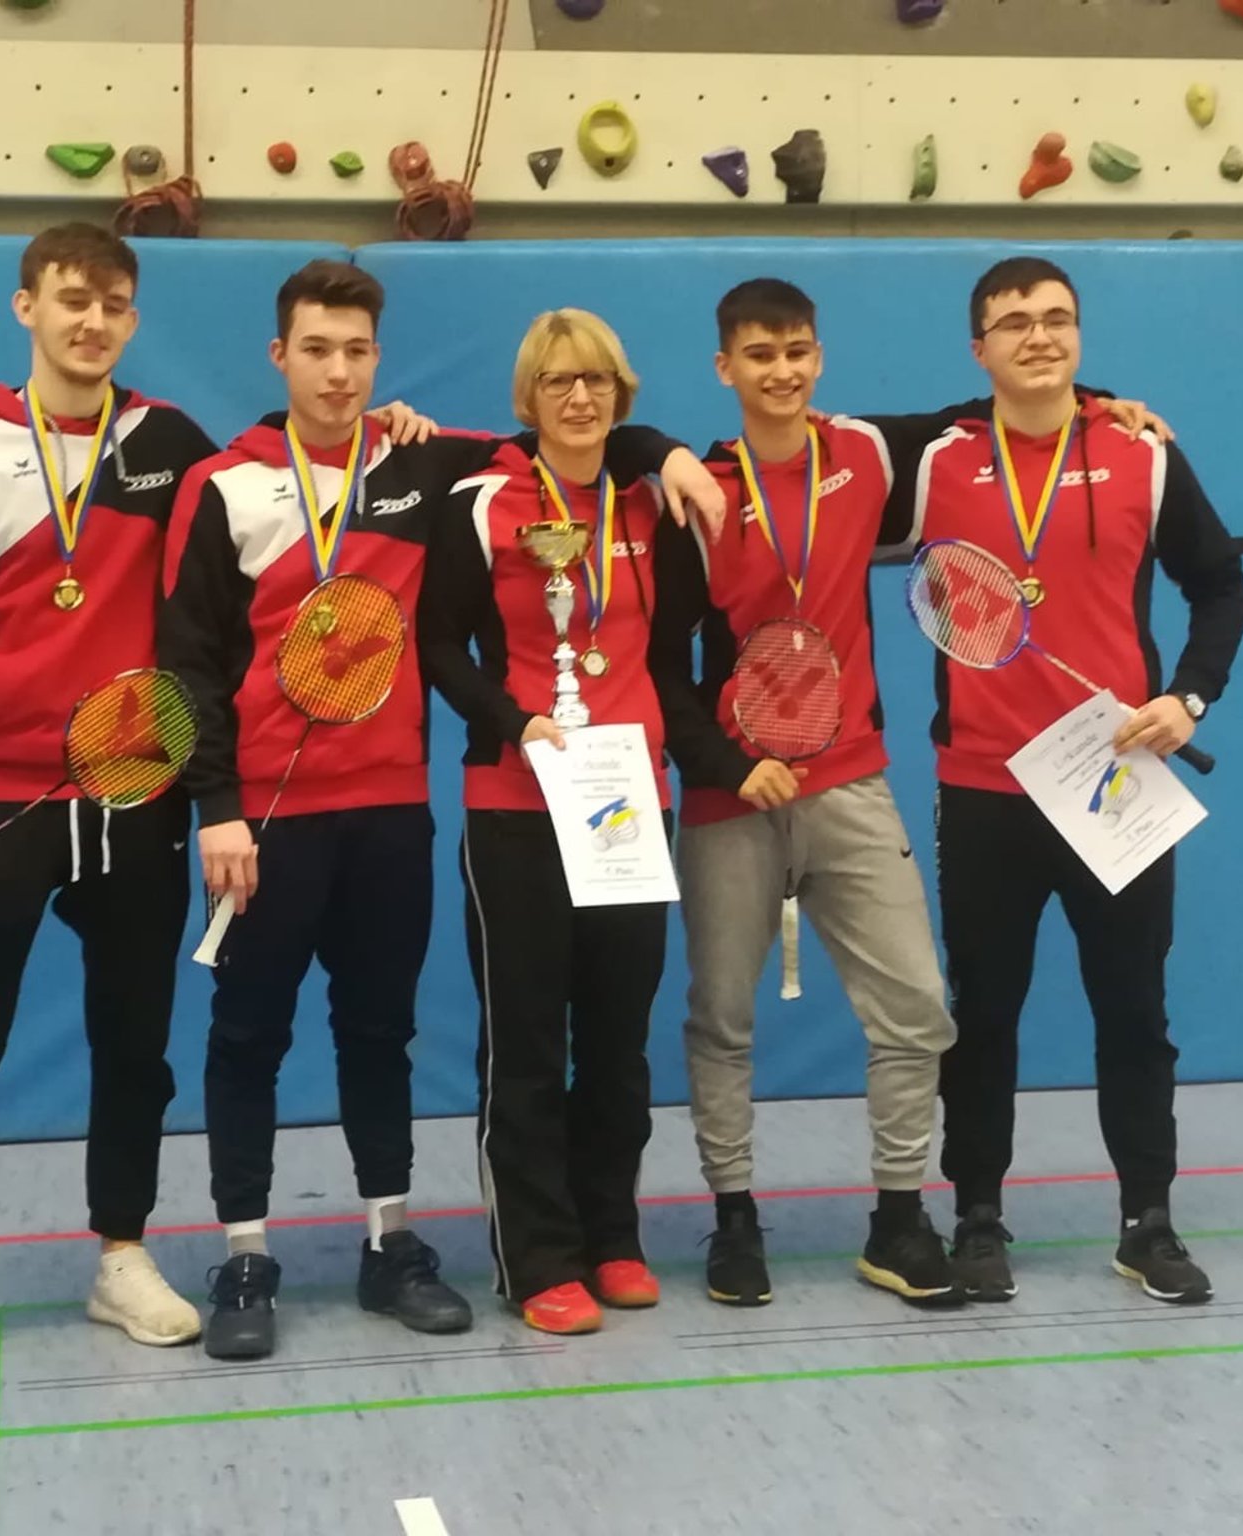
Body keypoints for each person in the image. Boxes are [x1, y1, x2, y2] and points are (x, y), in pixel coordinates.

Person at [158, 265, 721, 1359]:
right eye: (317, 349)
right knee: (247, 1037)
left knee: (383, 1034)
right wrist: (213, 806)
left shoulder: (423, 463)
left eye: (357, 351)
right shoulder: (226, 484)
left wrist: (669, 450)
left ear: (378, 359)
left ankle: (390, 1244)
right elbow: (185, 662)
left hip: (393, 812)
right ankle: (243, 1257)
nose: (338, 370)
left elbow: (587, 439)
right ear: (280, 357)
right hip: (265, 821)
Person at [651, 277, 1164, 1310]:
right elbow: (658, 663)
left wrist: (1107, 400)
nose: (781, 370)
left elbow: (1011, 401)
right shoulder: (695, 491)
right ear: (724, 369)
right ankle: (733, 1221)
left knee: (920, 1013)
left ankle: (896, 1219)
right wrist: (720, 764)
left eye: (797, 349)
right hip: (728, 798)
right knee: (722, 1019)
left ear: (819, 356)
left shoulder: (871, 456)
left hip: (850, 782)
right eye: (758, 355)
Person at [0, 223, 221, 1378]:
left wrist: (412, 427)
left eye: (115, 304)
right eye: (72, 299)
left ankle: (121, 1254)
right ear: (26, 306)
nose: (94, 321)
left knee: (136, 1043)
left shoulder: (171, 447)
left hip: (133, 795)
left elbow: (294, 471)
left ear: (132, 318)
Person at [905, 256, 1243, 1305]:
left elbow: (1221, 587)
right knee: (982, 1015)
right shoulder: (934, 457)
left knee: (1132, 1011)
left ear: (1080, 338)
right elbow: (796, 438)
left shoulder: (1140, 455)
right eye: (1012, 324)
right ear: (978, 350)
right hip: (983, 787)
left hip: (1113, 786)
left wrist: (1186, 698)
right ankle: (975, 1216)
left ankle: (1145, 1220)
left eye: (1056, 320)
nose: (1037, 337)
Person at [418, 309, 701, 1336]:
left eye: (593, 381)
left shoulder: (649, 502)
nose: (577, 399)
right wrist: (513, 722)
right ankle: (535, 1254)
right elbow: (438, 643)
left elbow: (670, 648)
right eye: (556, 383)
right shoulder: (482, 502)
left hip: (628, 800)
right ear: (526, 399)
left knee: (618, 1043)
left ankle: (610, 1234)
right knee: (528, 1046)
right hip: (516, 803)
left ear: (620, 395)